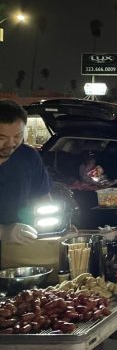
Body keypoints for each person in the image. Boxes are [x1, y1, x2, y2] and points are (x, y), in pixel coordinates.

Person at [0, 100, 50, 245]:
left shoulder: (28, 156)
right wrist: (4, 232)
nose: (11, 144)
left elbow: (42, 197)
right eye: (1, 138)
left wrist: (58, 226)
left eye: (17, 136)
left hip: (18, 248)